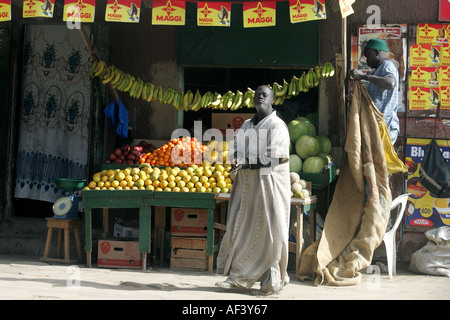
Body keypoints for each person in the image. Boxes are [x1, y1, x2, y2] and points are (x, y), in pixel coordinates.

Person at [215, 85, 291, 294]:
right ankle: (238, 277)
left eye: (264, 95)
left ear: (272, 100)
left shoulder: (277, 126)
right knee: (242, 230)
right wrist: (237, 159)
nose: (260, 98)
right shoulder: (247, 125)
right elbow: (236, 149)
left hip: (269, 188)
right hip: (247, 188)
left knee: (269, 234)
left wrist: (246, 163)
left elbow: (276, 156)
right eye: (257, 95)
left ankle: (272, 282)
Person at [349, 38, 400, 144]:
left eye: (368, 56)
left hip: (385, 126)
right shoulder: (379, 69)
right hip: (379, 126)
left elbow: (390, 83)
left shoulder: (387, 66)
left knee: (381, 159)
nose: (366, 60)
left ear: (377, 52)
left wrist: (364, 76)